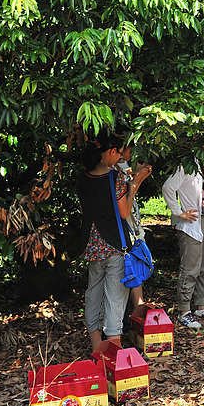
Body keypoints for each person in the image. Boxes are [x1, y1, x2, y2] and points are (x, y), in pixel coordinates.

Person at [76, 133, 150, 352]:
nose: (119, 156)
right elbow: (125, 212)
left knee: (94, 294)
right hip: (115, 245)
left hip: (91, 245)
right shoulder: (114, 177)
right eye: (118, 152)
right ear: (109, 152)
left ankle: (97, 346)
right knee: (115, 298)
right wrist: (136, 182)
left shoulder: (83, 177)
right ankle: (113, 351)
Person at [162, 160, 204, 329]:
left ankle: (202, 307)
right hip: (191, 224)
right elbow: (168, 187)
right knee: (190, 268)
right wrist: (178, 212)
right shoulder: (185, 165)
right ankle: (184, 311)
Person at [115, 144, 152, 308]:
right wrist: (137, 180)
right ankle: (134, 308)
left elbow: (132, 190)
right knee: (129, 263)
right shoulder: (113, 170)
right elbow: (125, 205)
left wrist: (139, 178)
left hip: (131, 224)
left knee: (134, 263)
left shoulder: (124, 166)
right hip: (123, 225)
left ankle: (138, 306)